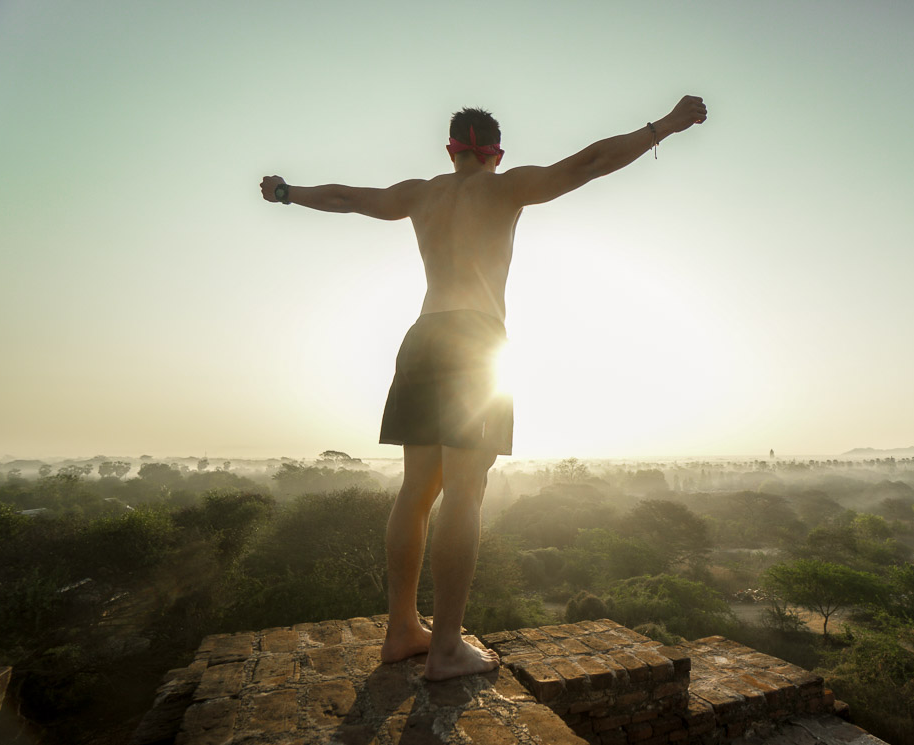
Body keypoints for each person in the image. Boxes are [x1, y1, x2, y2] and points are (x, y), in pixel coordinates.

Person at [259, 94, 707, 681]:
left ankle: (401, 631)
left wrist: (289, 193)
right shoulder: (504, 187)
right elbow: (590, 163)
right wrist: (669, 124)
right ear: (496, 152)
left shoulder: (420, 193)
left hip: (422, 336)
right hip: (475, 342)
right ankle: (445, 648)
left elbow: (344, 198)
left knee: (415, 492)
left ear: (450, 150)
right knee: (465, 494)